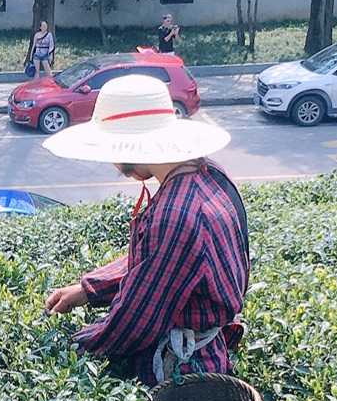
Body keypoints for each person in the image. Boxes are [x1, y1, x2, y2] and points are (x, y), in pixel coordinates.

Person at [42, 72, 248, 385]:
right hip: (204, 351)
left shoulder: (175, 213)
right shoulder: (208, 172)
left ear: (131, 148)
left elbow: (137, 320)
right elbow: (162, 261)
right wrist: (89, 289)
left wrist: (71, 345)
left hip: (182, 370)